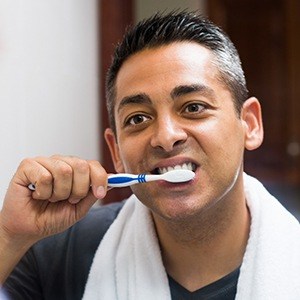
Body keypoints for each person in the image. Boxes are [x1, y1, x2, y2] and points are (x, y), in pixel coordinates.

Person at [1, 11, 300, 300]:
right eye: (138, 119)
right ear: (116, 151)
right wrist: (8, 236)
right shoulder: (56, 255)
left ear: (250, 124)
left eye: (193, 107)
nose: (166, 137)